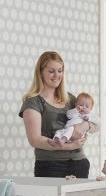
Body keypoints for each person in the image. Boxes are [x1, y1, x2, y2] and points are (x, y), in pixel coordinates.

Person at [19, 51, 96, 179]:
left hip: (79, 162)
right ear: (41, 72)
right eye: (51, 71)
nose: (56, 75)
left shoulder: (70, 99)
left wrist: (85, 125)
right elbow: (35, 140)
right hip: (50, 166)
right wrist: (70, 146)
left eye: (60, 71)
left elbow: (97, 125)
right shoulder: (33, 101)